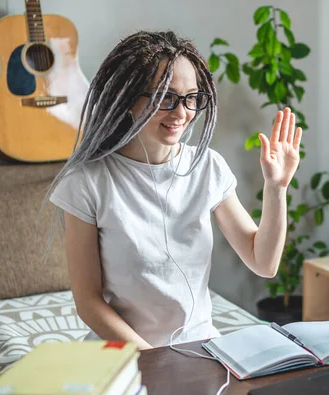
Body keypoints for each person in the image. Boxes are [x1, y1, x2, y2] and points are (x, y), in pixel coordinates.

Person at [48, 30, 302, 350]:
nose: (182, 113)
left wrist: (276, 188)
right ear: (128, 99)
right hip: (126, 352)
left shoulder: (207, 166)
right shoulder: (88, 181)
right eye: (165, 97)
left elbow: (263, 262)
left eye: (192, 97)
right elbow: (88, 302)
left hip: (201, 347)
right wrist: (155, 360)